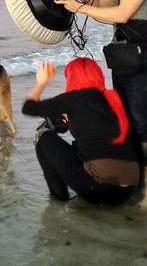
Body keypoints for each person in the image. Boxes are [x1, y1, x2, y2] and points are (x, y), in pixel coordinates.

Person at [54, 0, 147, 201]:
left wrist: (79, 8)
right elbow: (101, 3)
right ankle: (135, 180)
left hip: (143, 58)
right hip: (125, 58)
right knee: (125, 118)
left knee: (144, 121)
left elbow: (122, 14)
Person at [22, 58, 139, 204]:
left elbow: (29, 107)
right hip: (128, 190)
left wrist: (41, 82)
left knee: (42, 135)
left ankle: (59, 200)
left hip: (101, 190)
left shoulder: (75, 97)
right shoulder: (112, 98)